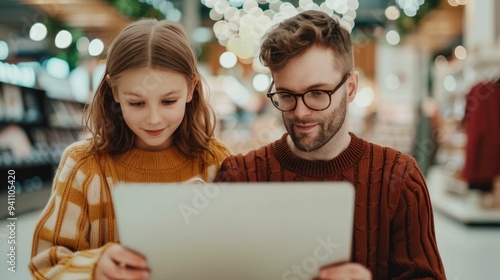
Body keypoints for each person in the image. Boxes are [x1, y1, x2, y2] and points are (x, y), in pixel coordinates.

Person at [215, 10, 446, 280]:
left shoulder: (399, 178)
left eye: (317, 93)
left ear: (350, 88)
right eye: (287, 95)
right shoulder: (240, 177)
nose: (300, 112)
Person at [30, 19, 231, 280]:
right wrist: (94, 266)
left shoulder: (215, 162)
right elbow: (45, 262)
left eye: (169, 101)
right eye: (136, 103)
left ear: (191, 89)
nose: (154, 118)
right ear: (114, 91)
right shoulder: (84, 166)